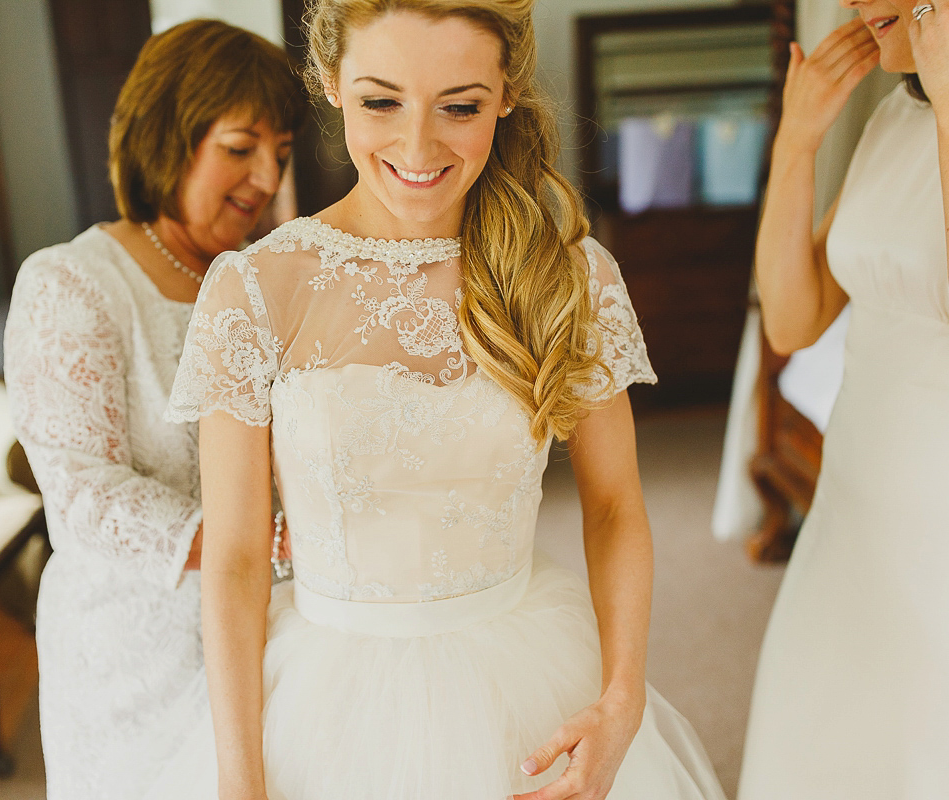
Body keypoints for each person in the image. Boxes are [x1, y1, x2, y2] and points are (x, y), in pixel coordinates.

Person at [153, 2, 728, 798]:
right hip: (325, 706)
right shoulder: (253, 292)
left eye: (458, 106)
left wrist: (623, 698)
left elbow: (615, 506)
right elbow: (240, 558)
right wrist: (240, 777)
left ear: (507, 93)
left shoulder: (570, 274)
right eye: (380, 101)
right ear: (329, 83)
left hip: (528, 679)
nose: (417, 147)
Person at [3, 20, 305, 799]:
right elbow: (82, 492)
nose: (267, 177)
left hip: (272, 631)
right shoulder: (73, 282)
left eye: (281, 150)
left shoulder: (264, 278)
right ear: (167, 135)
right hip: (134, 653)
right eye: (241, 148)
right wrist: (274, 542)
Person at [739, 1, 949, 797]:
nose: (852, 2)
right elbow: (792, 317)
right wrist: (798, 141)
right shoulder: (895, 116)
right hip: (854, 515)